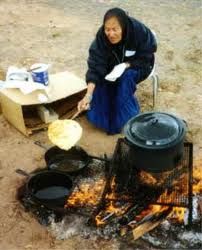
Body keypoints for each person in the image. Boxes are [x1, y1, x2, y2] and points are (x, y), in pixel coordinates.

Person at [77, 7, 157, 134]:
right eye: (107, 29)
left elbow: (147, 57)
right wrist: (88, 95)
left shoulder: (138, 32)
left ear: (123, 27)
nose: (111, 34)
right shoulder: (102, 37)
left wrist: (126, 65)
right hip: (114, 66)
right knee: (102, 79)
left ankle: (124, 120)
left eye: (115, 29)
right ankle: (102, 119)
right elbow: (96, 66)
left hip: (139, 66)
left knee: (125, 79)